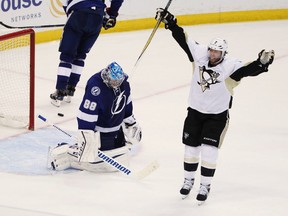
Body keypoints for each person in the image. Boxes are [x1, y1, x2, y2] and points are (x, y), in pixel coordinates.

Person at [155, 9, 275, 203]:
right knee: (190, 149)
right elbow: (183, 40)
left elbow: (248, 70)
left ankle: (205, 185)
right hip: (194, 112)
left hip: (216, 116)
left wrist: (261, 63)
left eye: (217, 51)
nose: (212, 54)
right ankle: (188, 181)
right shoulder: (200, 54)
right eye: (211, 50)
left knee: (209, 150)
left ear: (223, 53)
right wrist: (170, 22)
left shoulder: (230, 66)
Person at [49, 62, 142, 172]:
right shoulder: (96, 86)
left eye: (118, 81)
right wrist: (87, 135)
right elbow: (87, 113)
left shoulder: (124, 84)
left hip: (117, 133)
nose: (116, 83)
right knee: (94, 160)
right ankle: (66, 153)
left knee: (120, 154)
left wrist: (130, 122)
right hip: (100, 136)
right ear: (107, 76)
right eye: (113, 81)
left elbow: (127, 104)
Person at [50, 0, 124, 107]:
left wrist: (70, 14)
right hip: (97, 15)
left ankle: (60, 92)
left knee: (67, 56)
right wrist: (111, 14)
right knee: (80, 56)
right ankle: (70, 89)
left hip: (78, 12)